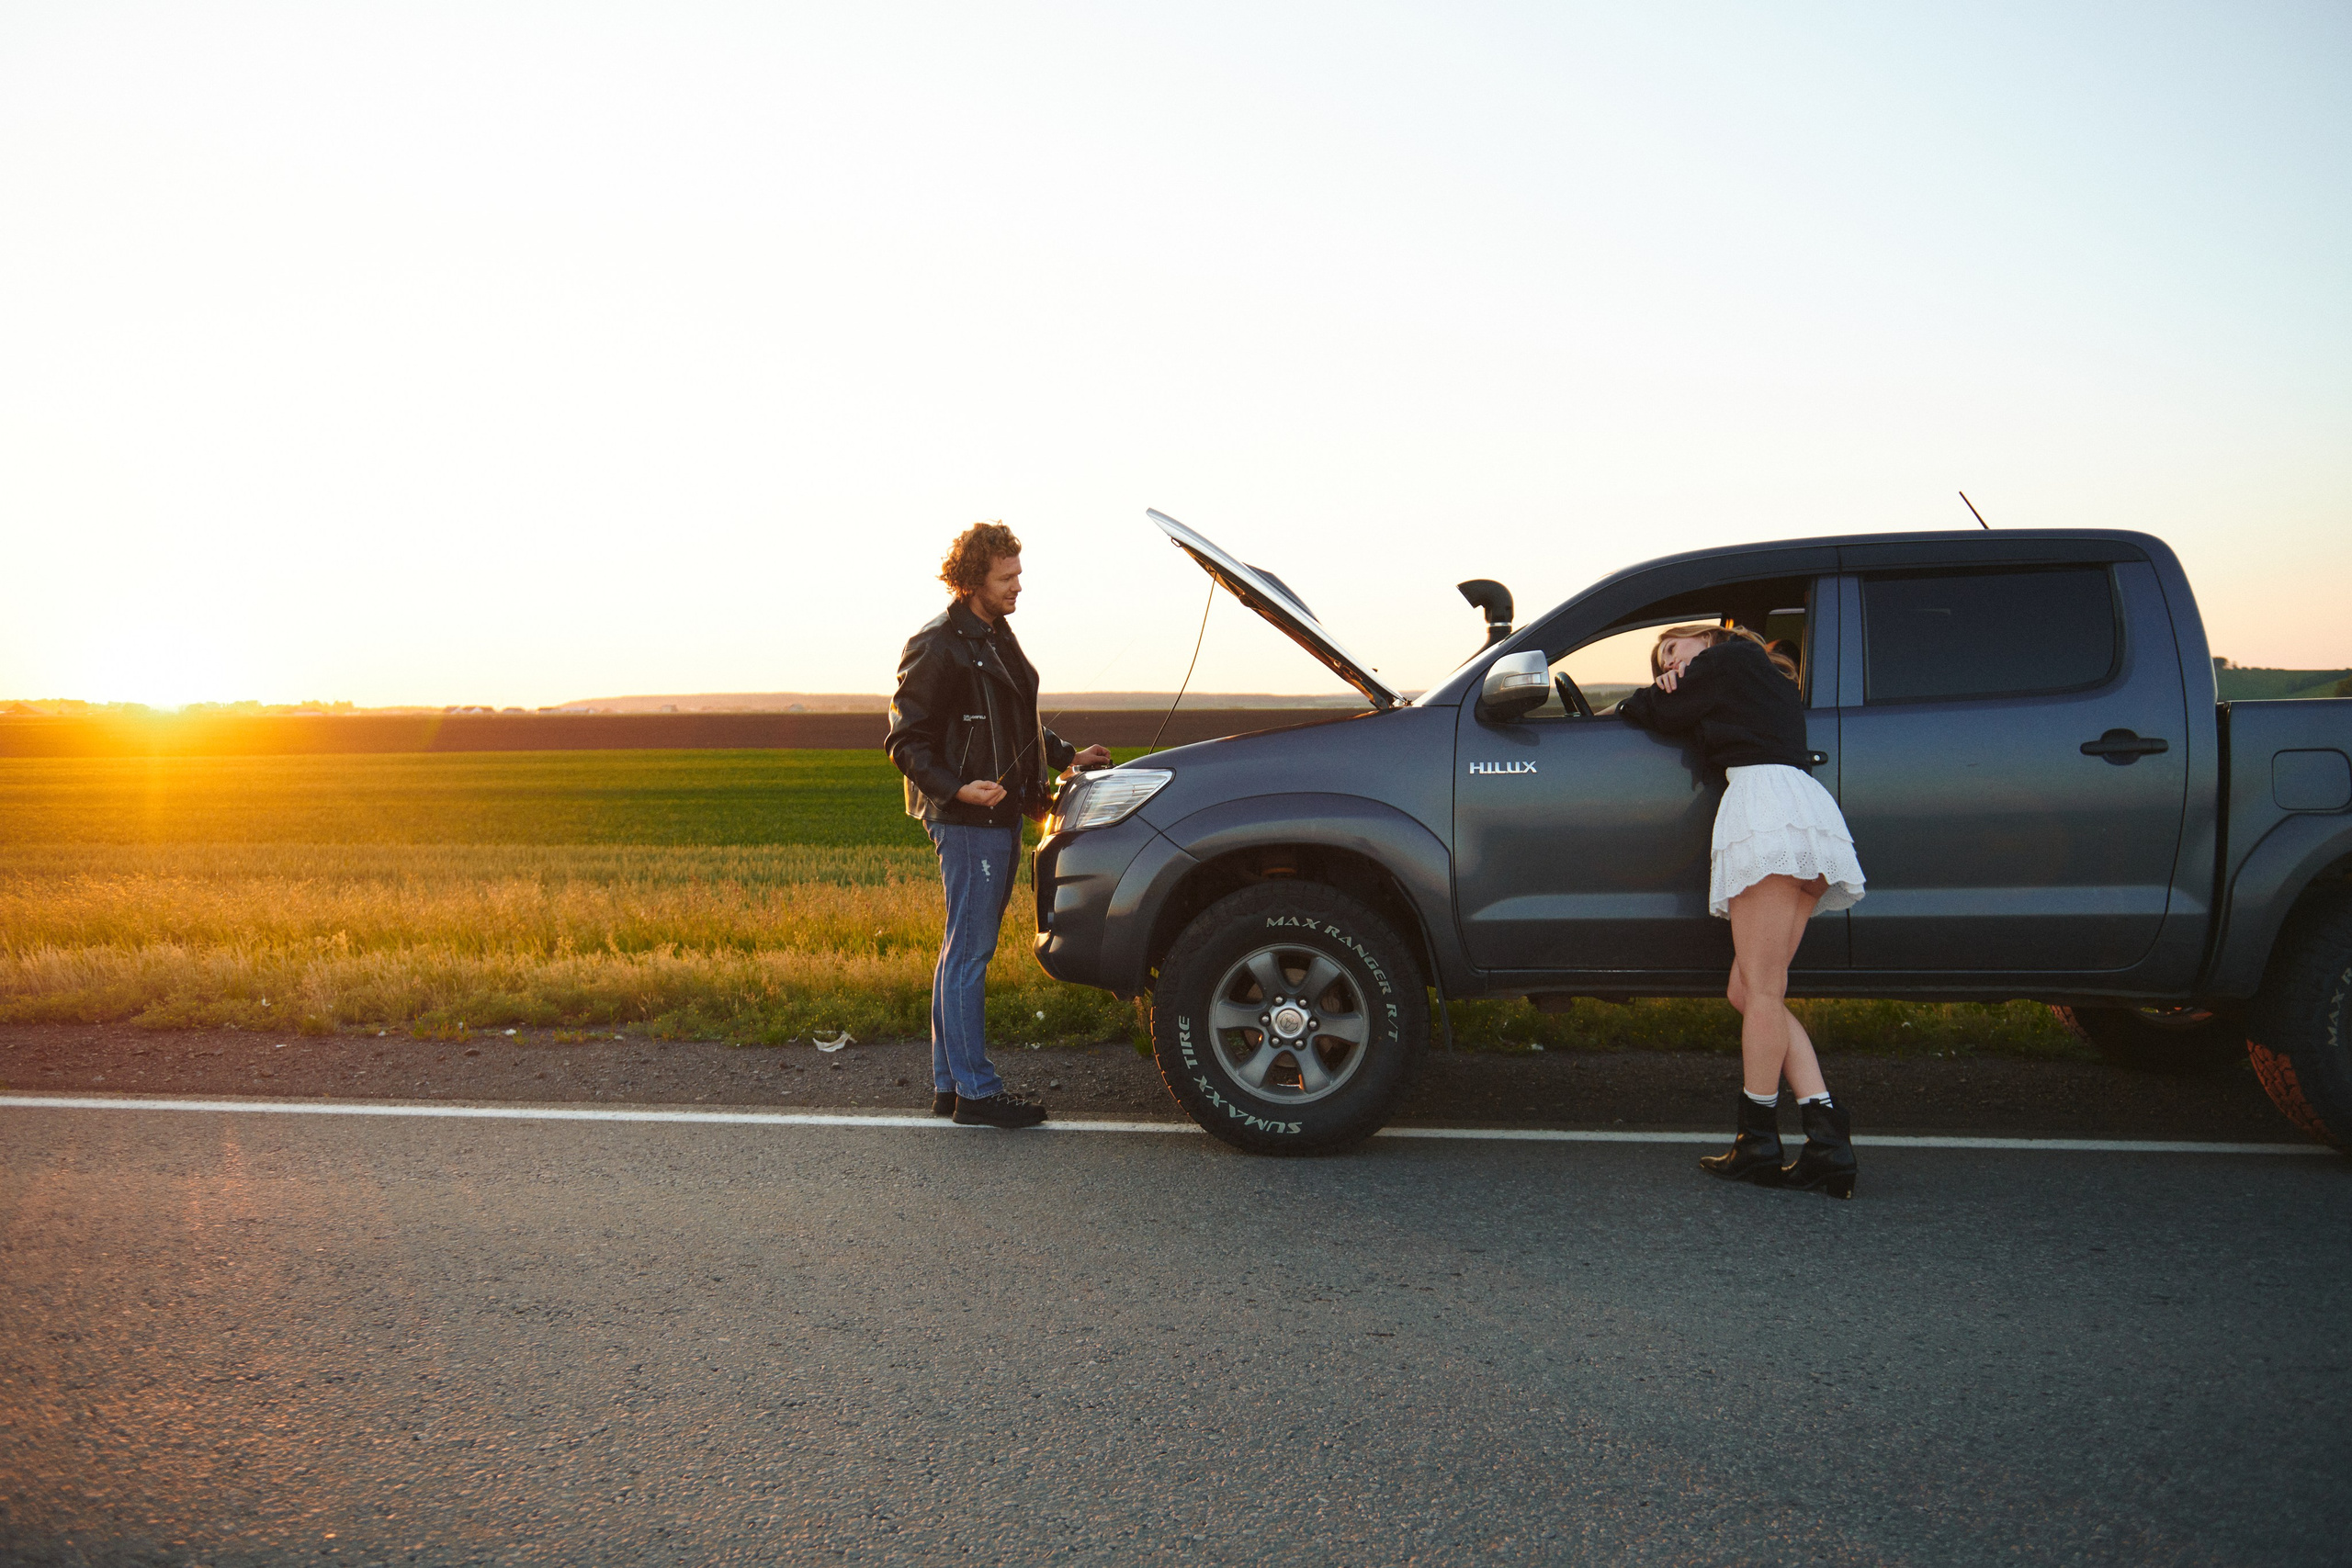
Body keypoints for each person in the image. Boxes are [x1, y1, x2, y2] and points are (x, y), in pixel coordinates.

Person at [1618, 623, 1867, 1197]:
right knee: (1751, 990)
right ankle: (1826, 1135)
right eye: (1662, 661)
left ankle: (1758, 1139)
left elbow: (1658, 711)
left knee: (1760, 992)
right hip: (1801, 812)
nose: (1668, 666)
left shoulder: (1725, 662)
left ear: (1702, 642)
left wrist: (1642, 695)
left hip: (1766, 809)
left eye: (1673, 652)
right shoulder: (1749, 677)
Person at [887, 522, 1112, 1129]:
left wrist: (1066, 756)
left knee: (960, 946)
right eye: (1007, 576)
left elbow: (1013, 721)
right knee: (971, 951)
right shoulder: (937, 644)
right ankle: (977, 1094)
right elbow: (905, 741)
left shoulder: (993, 633)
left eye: (1018, 573)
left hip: (999, 810)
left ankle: (948, 1084)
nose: (1019, 586)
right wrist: (958, 788)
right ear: (972, 580)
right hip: (967, 818)